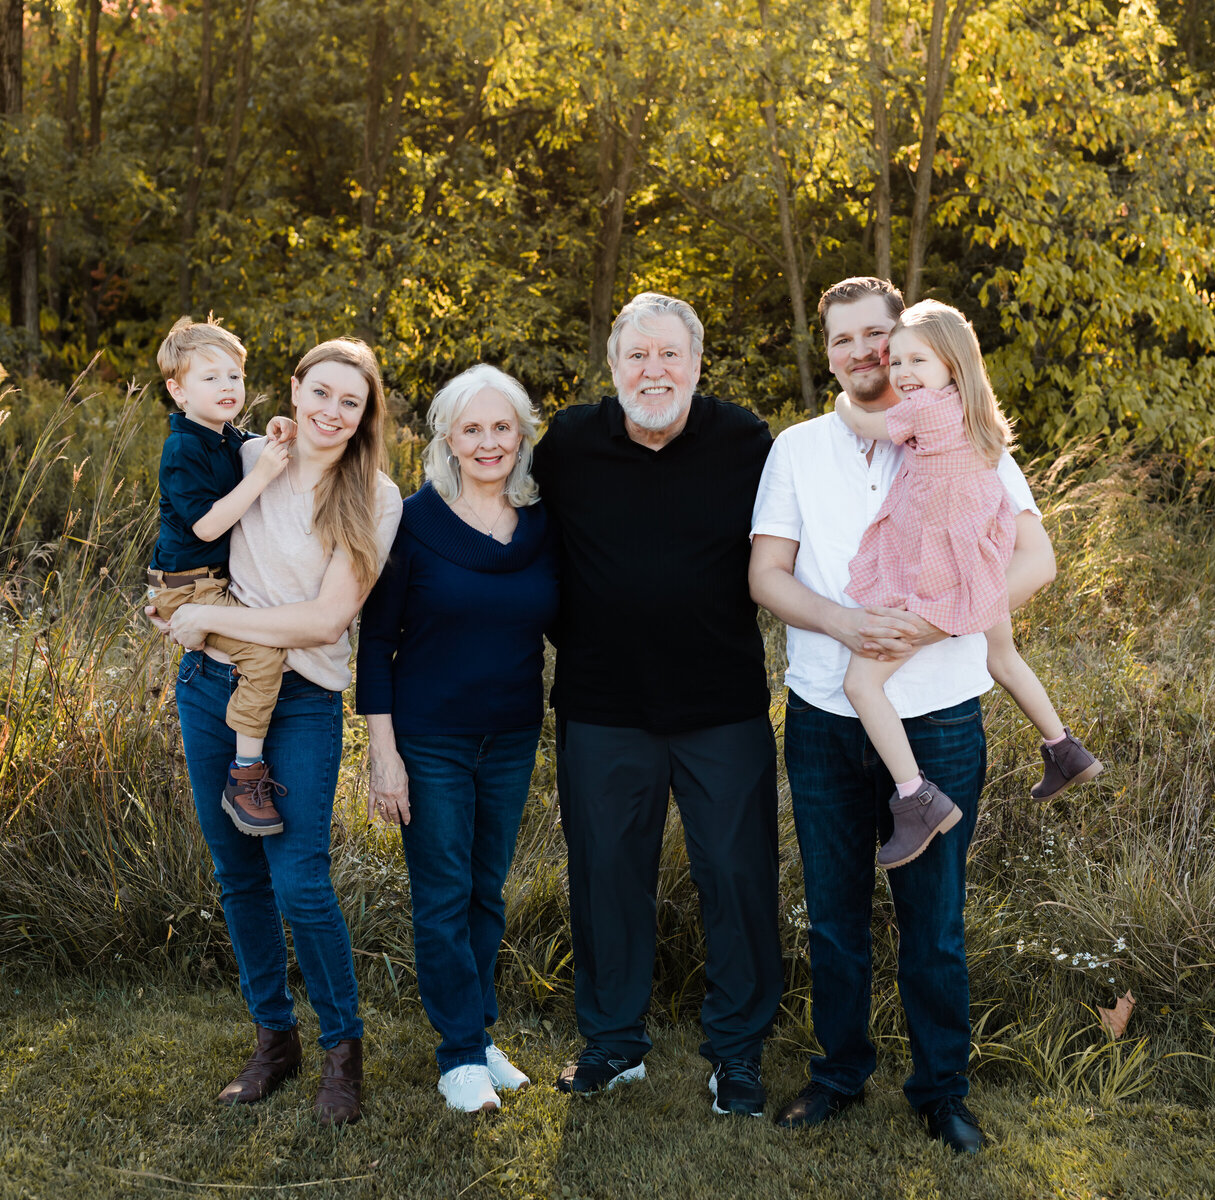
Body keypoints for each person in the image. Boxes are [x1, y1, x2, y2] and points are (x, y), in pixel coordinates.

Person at [749, 277, 1056, 1151]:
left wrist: (934, 621)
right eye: (842, 340)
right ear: (827, 351)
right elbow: (766, 576)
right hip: (823, 717)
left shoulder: (972, 437)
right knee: (835, 915)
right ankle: (838, 1074)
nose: (862, 354)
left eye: (876, 336)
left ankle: (941, 1092)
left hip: (942, 716)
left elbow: (1038, 560)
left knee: (935, 923)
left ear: (906, 338)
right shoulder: (799, 449)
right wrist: (845, 622)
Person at [533, 292, 782, 1119]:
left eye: (670, 354)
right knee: (606, 875)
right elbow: (492, 502)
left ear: (697, 364)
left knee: (739, 877)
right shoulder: (568, 443)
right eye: (637, 356)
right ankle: (613, 1042)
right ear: (612, 368)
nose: (654, 370)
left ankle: (737, 1054)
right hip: (603, 705)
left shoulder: (746, 440)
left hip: (724, 706)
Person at [151, 337, 402, 1128]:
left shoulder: (375, 497)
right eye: (319, 392)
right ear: (293, 391)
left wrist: (206, 616)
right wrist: (164, 603)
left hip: (301, 699)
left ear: (365, 417)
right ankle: (274, 1037)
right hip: (210, 687)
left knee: (300, 878)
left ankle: (342, 1049)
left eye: (349, 402)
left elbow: (329, 618)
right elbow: (186, 523)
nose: (330, 412)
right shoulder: (250, 453)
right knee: (238, 873)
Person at [833, 300, 1102, 870]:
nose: (901, 372)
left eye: (915, 360)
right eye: (895, 359)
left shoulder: (925, 410)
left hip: (941, 570)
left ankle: (917, 798)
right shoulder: (973, 414)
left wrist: (839, 400)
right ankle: (1064, 748)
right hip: (981, 559)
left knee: (860, 683)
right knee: (1001, 656)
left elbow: (862, 423)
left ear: (951, 366)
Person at [356, 365, 558, 1114]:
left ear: (521, 436)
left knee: (486, 892)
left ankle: (477, 1033)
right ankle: (458, 1057)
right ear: (447, 438)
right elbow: (375, 643)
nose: (488, 442)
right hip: (430, 736)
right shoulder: (412, 521)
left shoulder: (541, 525)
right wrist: (385, 753)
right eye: (471, 428)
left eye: (501, 427)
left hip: (510, 735)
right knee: (442, 895)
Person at [146, 316, 300, 836]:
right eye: (209, 378)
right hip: (190, 583)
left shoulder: (223, 434)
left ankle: (245, 757)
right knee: (264, 653)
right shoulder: (183, 448)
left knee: (259, 638)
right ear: (177, 388)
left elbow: (253, 444)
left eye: (233, 376)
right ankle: (245, 770)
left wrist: (277, 430)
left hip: (206, 577)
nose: (226, 387)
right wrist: (261, 475)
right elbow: (208, 522)